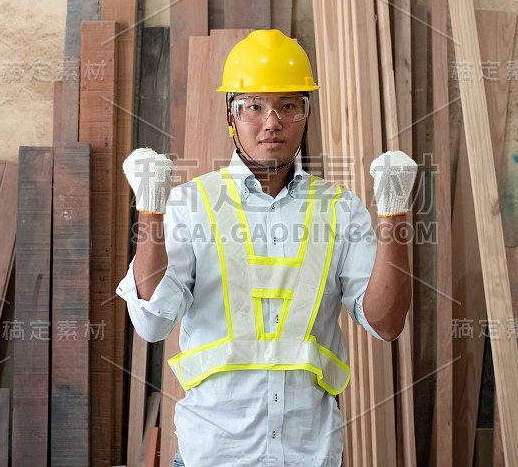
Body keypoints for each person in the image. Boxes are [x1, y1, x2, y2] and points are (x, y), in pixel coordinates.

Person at [117, 29, 419, 467]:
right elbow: (151, 324)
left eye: (288, 105)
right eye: (253, 106)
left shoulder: (339, 210)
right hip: (212, 456)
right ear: (230, 115)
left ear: (306, 114)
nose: (271, 121)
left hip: (309, 455)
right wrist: (150, 211)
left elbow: (387, 324)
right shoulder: (191, 204)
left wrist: (393, 215)